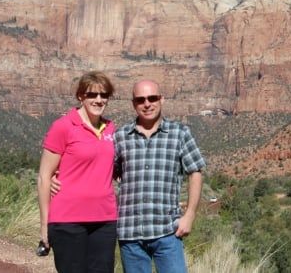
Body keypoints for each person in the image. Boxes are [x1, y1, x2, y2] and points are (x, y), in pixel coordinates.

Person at [114, 79, 206, 273]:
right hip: (131, 234)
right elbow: (103, 172)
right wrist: (59, 175)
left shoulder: (180, 133)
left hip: (168, 232)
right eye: (141, 100)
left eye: (152, 98)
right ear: (133, 104)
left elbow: (195, 172)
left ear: (161, 99)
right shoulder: (121, 136)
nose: (147, 104)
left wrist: (189, 215)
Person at [37, 71, 118, 273]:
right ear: (81, 96)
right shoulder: (63, 127)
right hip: (67, 220)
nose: (98, 100)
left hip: (104, 220)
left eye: (103, 95)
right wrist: (44, 226)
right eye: (92, 94)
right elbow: (44, 177)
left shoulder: (111, 129)